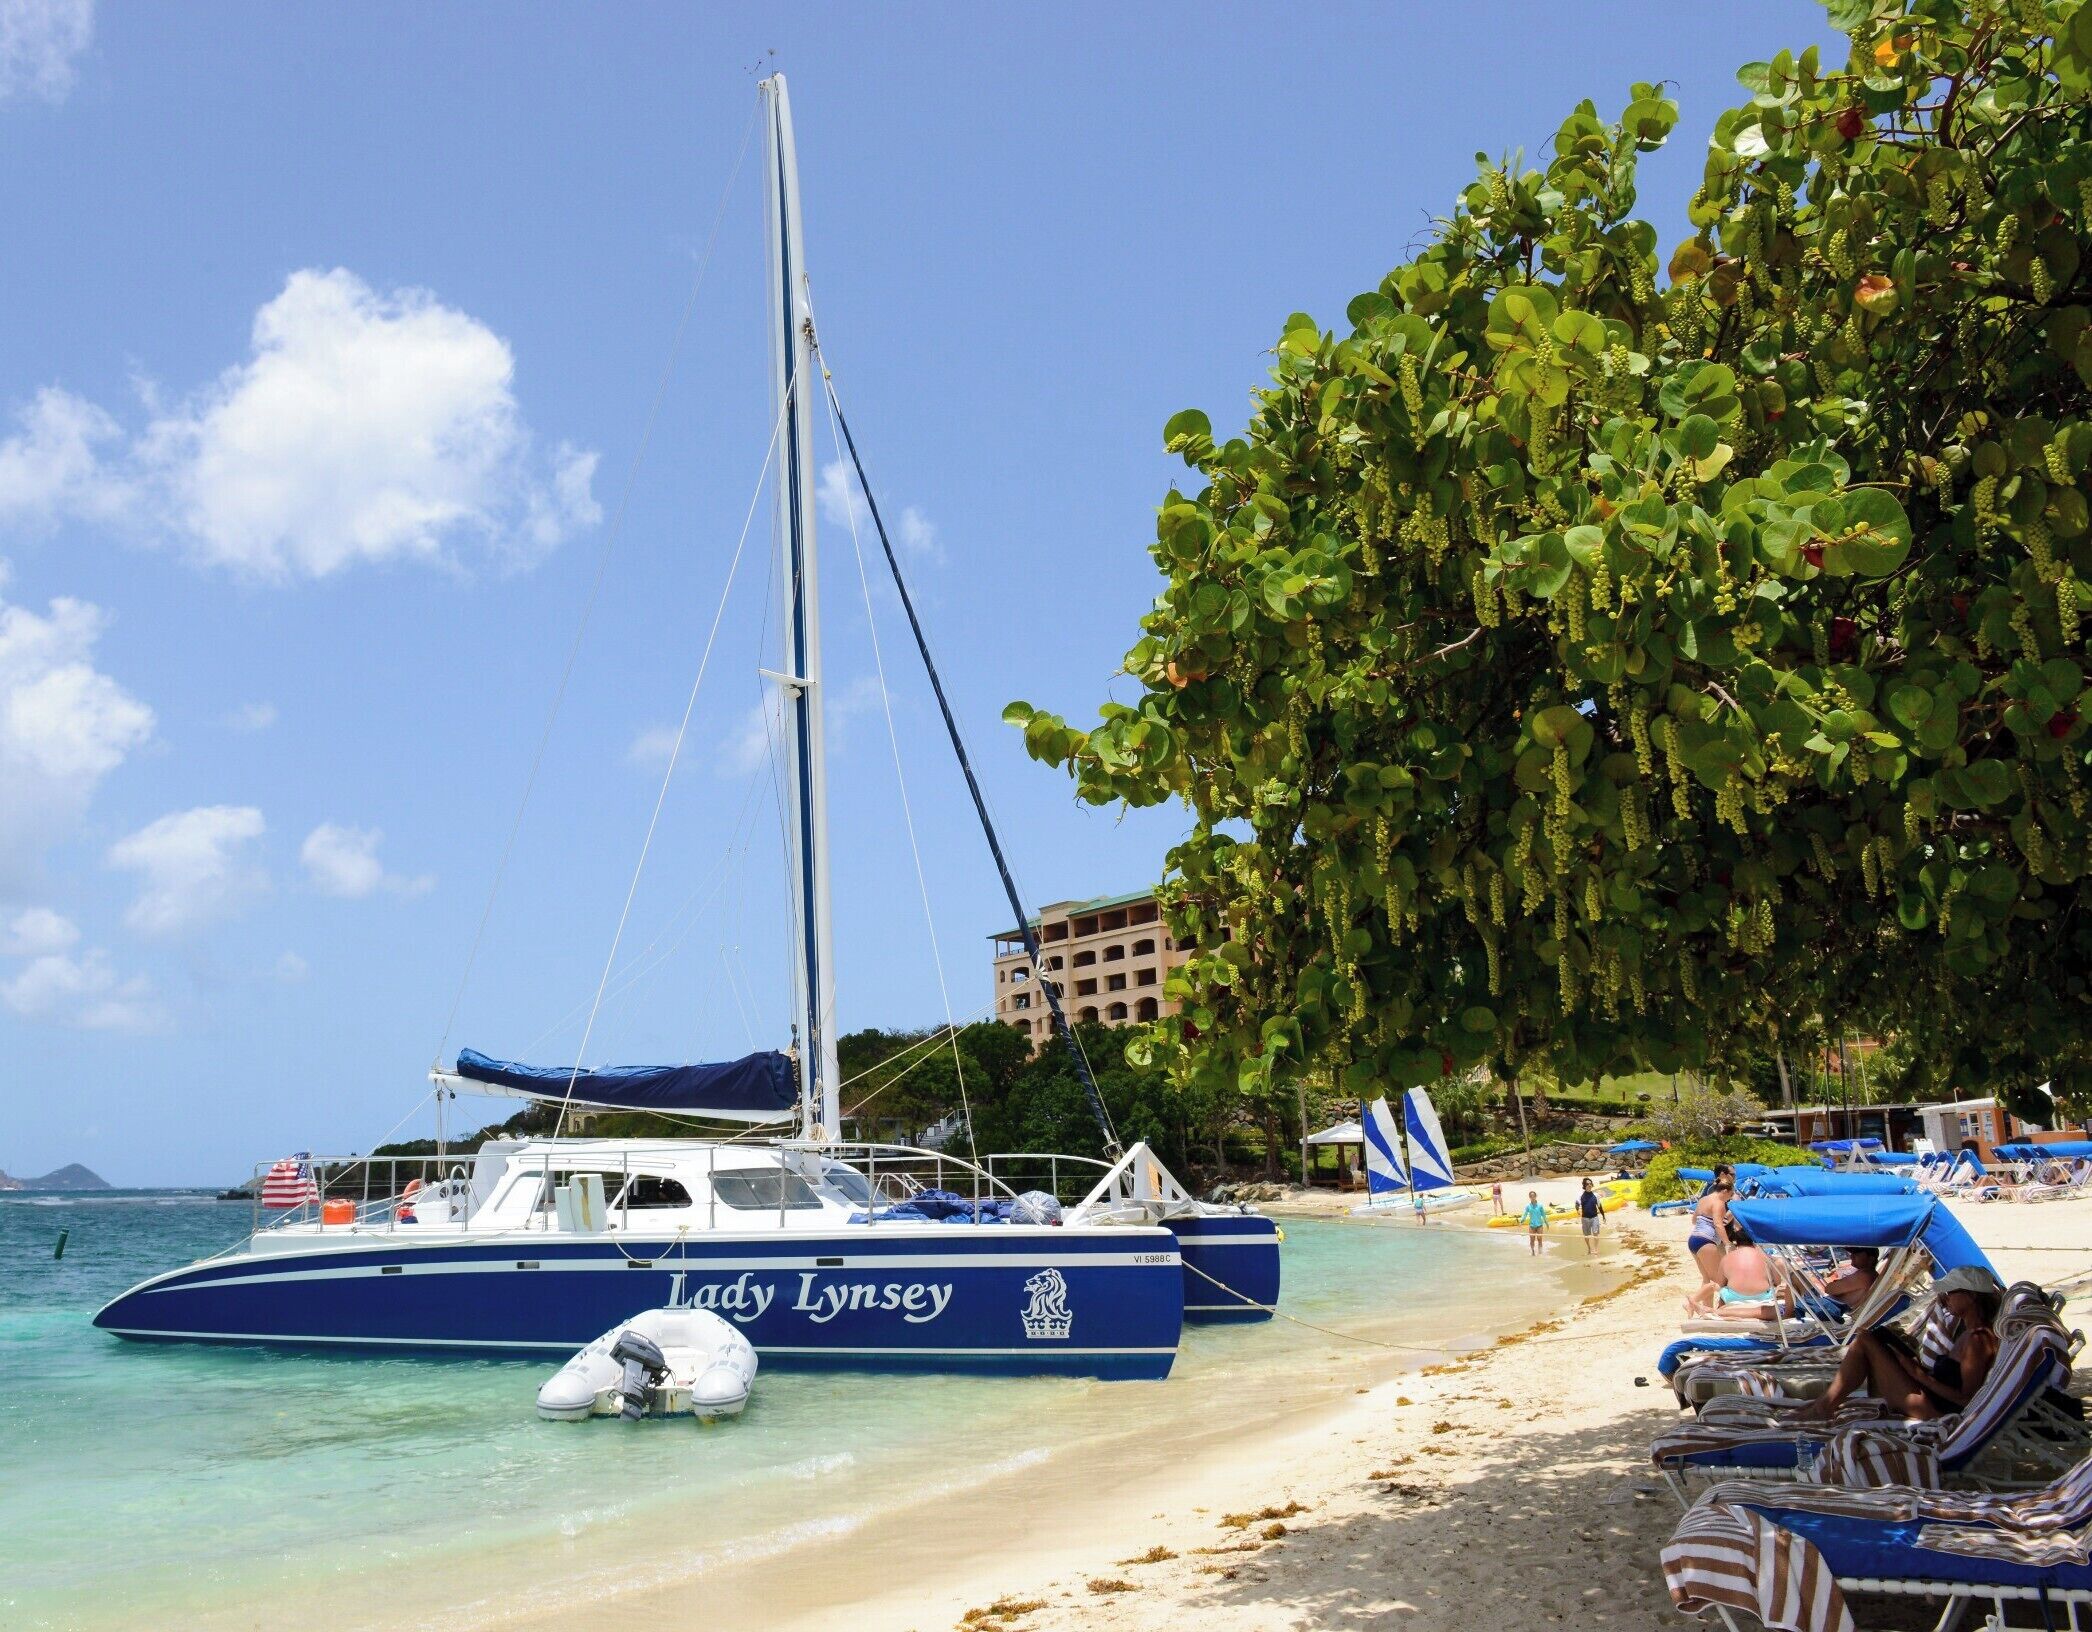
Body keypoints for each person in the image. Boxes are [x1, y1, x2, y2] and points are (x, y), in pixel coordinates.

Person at [1797, 1266, 2005, 1421]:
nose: (1945, 1298)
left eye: (1951, 1293)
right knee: (1875, 1339)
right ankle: (1824, 1404)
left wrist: (1918, 1375)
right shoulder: (1968, 1331)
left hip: (1934, 1410)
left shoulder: (1978, 1339)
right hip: (1928, 1397)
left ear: (1971, 1297)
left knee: (1865, 1340)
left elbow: (1966, 1399)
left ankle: (1824, 1407)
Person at [1686, 1165, 1736, 1290]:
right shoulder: (1719, 1203)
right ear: (1724, 1191)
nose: (1730, 1198)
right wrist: (1727, 1243)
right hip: (1706, 1242)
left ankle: (1706, 1308)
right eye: (1730, 1195)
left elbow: (1694, 1220)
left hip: (1693, 1239)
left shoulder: (1703, 1199)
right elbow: (1718, 1224)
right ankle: (1695, 1302)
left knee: (1707, 1279)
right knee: (1721, 1282)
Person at [1822, 1246, 1881, 1311]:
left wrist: (1838, 1282)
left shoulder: (1864, 1276)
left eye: (1856, 1254)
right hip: (1831, 1308)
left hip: (1828, 1310)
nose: (1852, 1256)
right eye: (1852, 1253)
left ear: (1870, 1259)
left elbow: (1829, 1289)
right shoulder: (1873, 1275)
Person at [1577, 1177, 1604, 1256]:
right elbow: (1577, 1204)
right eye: (1587, 1184)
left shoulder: (1596, 1195)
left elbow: (1599, 1206)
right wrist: (1577, 1210)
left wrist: (1603, 1216)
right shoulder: (1580, 1195)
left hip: (1594, 1217)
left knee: (1595, 1233)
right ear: (1584, 1185)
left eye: (1590, 1184)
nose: (1589, 1185)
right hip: (1585, 1218)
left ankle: (1595, 1249)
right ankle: (1589, 1248)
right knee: (1586, 1235)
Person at [1521, 1190, 1549, 1256]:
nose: (1532, 1197)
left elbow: (1543, 1215)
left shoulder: (1540, 1206)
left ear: (1535, 1196)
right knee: (1532, 1240)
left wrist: (1546, 1223)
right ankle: (1533, 1252)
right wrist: (1521, 1221)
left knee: (1539, 1239)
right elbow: (1525, 1214)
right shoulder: (1528, 1206)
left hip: (1539, 1225)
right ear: (1529, 1197)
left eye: (1533, 1196)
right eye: (1531, 1196)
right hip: (1532, 1226)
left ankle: (1540, 1252)